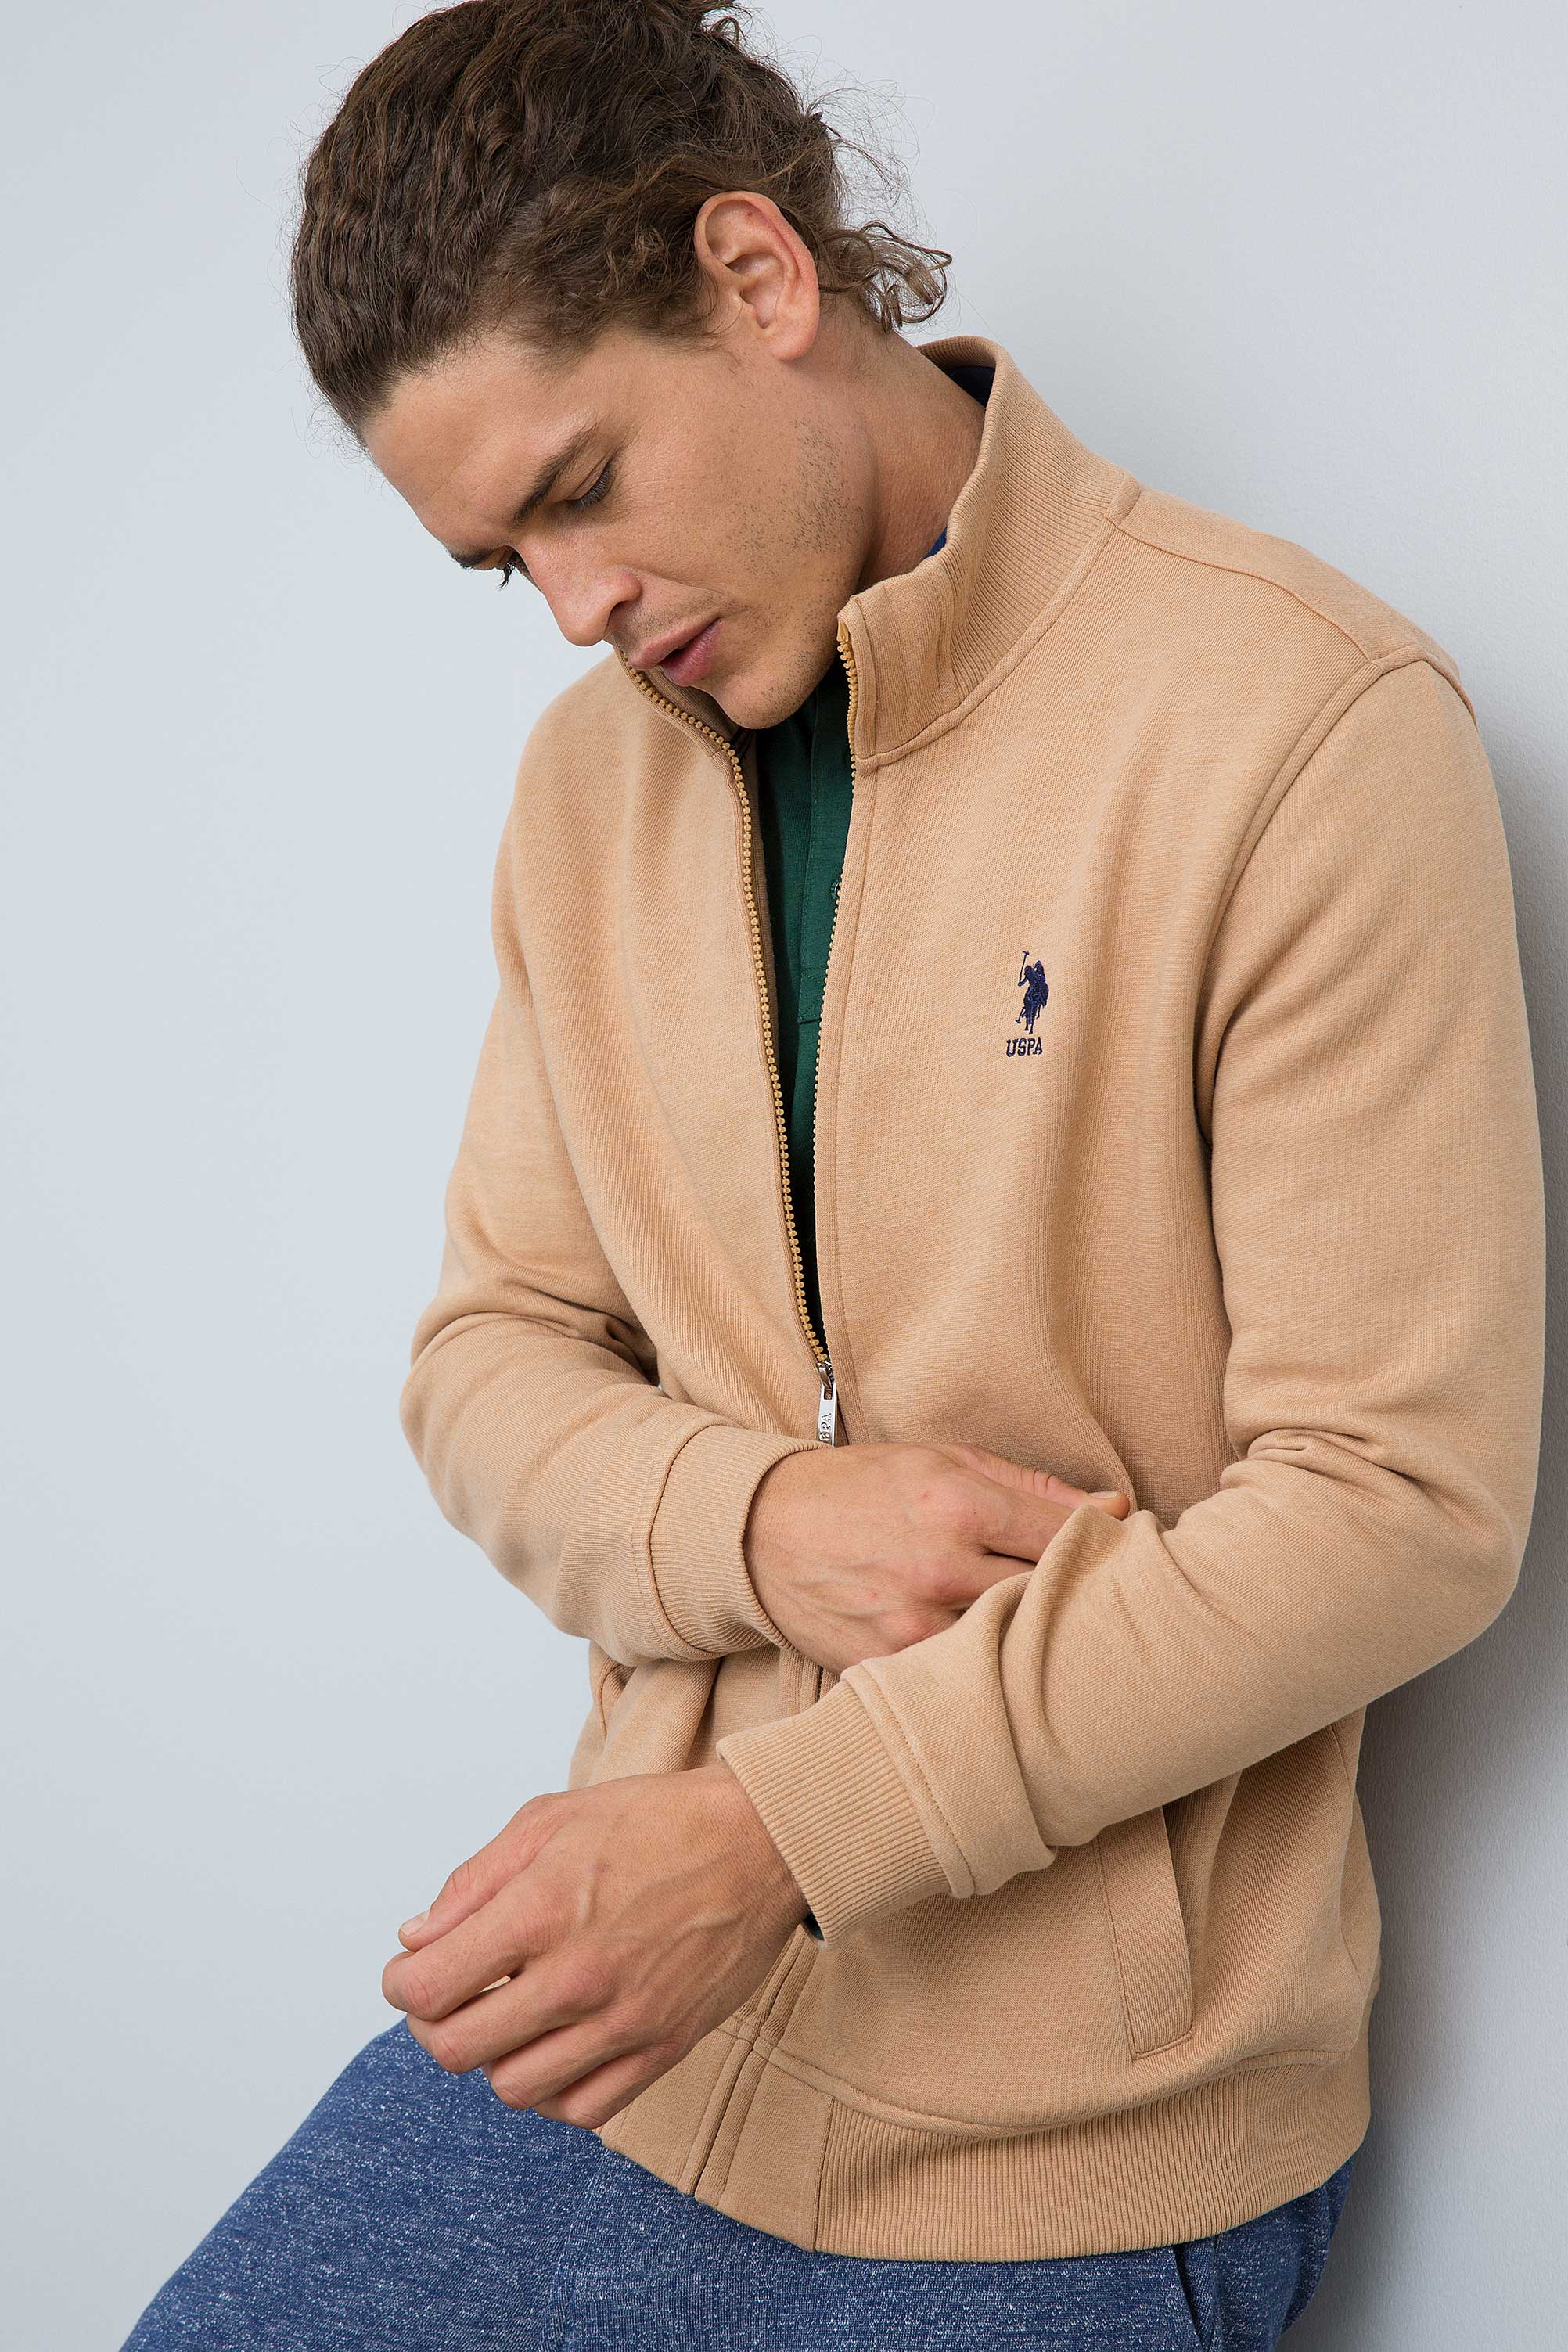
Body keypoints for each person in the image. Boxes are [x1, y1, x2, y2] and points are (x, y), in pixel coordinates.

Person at [122, 2, 1545, 2346]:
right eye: (503, 562)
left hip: (1065, 2144)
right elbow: (491, 1356)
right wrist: (759, 1521)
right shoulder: (590, 790)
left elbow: (1397, 1507)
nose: (574, 607)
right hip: (637, 2036)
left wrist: (780, 1833)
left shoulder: (1294, 726)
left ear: (760, 276)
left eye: (583, 484)